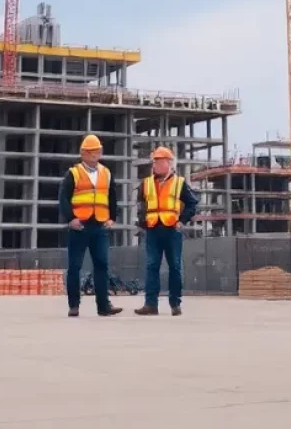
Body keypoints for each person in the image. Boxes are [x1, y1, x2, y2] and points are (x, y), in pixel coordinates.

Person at [57, 134, 122, 318]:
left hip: (100, 225)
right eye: (91, 152)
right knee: (75, 266)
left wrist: (112, 218)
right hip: (80, 226)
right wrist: (71, 218)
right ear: (83, 153)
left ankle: (103, 306)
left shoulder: (106, 173)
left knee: (102, 265)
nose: (95, 155)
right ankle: (74, 305)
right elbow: (63, 198)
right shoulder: (74, 173)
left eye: (97, 151)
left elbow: (113, 197)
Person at [134, 146, 199, 316]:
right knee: (151, 266)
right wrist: (142, 222)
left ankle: (175, 304)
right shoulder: (146, 183)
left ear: (169, 163)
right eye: (154, 162)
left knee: (175, 267)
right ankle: (150, 305)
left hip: (172, 230)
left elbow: (193, 203)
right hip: (153, 230)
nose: (154, 165)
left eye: (158, 161)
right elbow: (141, 205)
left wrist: (182, 220)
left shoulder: (179, 183)